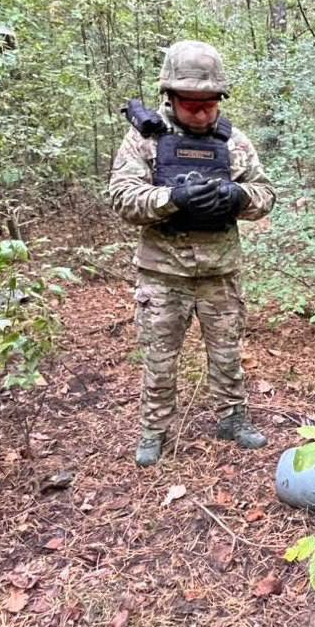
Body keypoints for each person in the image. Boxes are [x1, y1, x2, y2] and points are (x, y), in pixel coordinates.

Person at [108, 40, 276, 467]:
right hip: (163, 275)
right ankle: (155, 430)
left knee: (226, 353)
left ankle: (232, 418)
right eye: (191, 104)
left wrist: (238, 196)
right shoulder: (145, 140)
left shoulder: (234, 141)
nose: (202, 113)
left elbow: (265, 194)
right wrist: (174, 198)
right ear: (170, 98)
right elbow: (122, 198)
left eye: (209, 104)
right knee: (160, 359)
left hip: (220, 272)